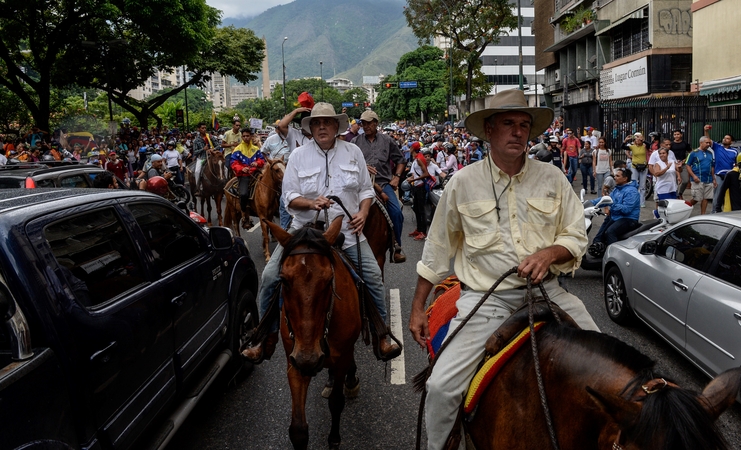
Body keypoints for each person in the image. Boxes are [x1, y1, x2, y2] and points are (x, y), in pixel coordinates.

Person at [408, 90, 598, 450]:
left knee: (610, 369)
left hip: (549, 293)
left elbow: (575, 233)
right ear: (489, 131)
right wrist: (418, 307)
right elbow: (436, 249)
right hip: (485, 299)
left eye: (524, 125)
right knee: (441, 386)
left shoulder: (553, 178)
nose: (518, 132)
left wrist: (549, 254)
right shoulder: (462, 182)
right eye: (509, 124)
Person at [250, 102, 401, 362]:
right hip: (305, 231)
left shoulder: (353, 152)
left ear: (336, 126)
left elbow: (366, 191)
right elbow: (289, 198)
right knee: (270, 276)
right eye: (316, 123)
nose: (322, 127)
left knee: (374, 277)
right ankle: (265, 336)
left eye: (327, 122)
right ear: (310, 127)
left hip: (349, 231)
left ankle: (382, 334)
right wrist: (310, 203)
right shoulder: (297, 156)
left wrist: (364, 213)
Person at [351, 110, 407, 262]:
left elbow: (401, 160)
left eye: (369, 123)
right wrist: (362, 166)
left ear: (376, 123)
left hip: (383, 182)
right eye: (363, 123)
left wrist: (396, 178)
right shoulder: (354, 143)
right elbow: (346, 163)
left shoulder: (387, 140)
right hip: (359, 184)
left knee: (396, 212)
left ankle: (396, 246)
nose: (366, 126)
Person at [589, 167, 641, 251]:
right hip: (616, 216)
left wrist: (612, 204)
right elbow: (606, 199)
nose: (615, 177)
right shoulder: (618, 189)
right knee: (600, 235)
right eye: (615, 176)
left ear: (625, 178)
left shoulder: (632, 191)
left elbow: (626, 209)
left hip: (628, 219)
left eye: (617, 176)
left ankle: (613, 254)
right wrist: (590, 203)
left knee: (610, 232)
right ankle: (597, 250)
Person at [230, 128, 266, 229]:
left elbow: (262, 160)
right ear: (242, 137)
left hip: (256, 173)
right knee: (244, 193)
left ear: (251, 136)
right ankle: (244, 216)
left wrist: (257, 163)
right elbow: (233, 163)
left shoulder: (256, 149)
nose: (246, 138)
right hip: (244, 175)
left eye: (247, 136)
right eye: (244, 136)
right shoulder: (237, 149)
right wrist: (242, 168)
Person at [703, 125, 739, 214]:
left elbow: (737, 164)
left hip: (730, 176)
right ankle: (714, 211)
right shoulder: (717, 147)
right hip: (719, 175)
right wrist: (706, 131)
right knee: (717, 195)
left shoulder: (735, 151)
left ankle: (729, 212)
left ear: (731, 142)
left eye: (727, 138)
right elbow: (708, 140)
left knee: (730, 195)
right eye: (724, 138)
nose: (724, 139)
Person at [686, 137, 716, 215]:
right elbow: (688, 165)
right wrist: (693, 176)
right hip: (698, 179)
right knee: (696, 198)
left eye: (709, 143)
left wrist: (714, 179)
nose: (708, 144)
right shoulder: (693, 153)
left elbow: (712, 166)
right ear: (701, 143)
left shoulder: (710, 153)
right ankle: (684, 207)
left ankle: (703, 214)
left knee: (706, 198)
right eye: (707, 143)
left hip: (708, 179)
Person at [624, 132, 648, 207]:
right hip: (634, 166)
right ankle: (633, 201)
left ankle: (642, 202)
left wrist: (642, 140)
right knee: (634, 184)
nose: (637, 139)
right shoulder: (632, 146)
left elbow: (649, 145)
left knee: (642, 185)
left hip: (644, 166)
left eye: (639, 138)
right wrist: (625, 140)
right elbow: (623, 147)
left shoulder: (644, 146)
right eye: (636, 138)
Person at [670, 129, 692, 198]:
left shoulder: (685, 143)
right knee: (674, 181)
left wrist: (685, 160)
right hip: (674, 164)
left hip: (683, 164)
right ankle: (675, 195)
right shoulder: (671, 144)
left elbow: (691, 152)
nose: (676, 136)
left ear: (681, 135)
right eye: (675, 134)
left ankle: (680, 193)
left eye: (678, 134)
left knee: (685, 180)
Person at [192, 123, 214, 190]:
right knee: (197, 171)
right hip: (202, 159)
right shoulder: (196, 140)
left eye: (205, 128)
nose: (204, 129)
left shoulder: (209, 137)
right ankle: (198, 187)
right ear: (198, 129)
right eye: (202, 128)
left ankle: (223, 184)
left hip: (212, 157)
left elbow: (218, 145)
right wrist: (203, 149)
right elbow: (195, 152)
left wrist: (212, 149)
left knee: (224, 168)